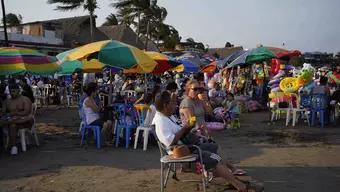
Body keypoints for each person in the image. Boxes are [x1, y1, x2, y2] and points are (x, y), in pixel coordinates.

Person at [153, 91, 253, 192]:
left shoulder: (167, 116)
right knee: (215, 159)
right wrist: (185, 128)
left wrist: (189, 128)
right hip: (183, 152)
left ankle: (231, 179)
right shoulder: (161, 122)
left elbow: (178, 133)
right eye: (173, 103)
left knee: (214, 147)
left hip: (188, 146)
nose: (175, 106)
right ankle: (239, 185)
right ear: (165, 105)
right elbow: (171, 143)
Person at [1, 83, 33, 155]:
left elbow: (26, 112)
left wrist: (14, 114)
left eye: (14, 91)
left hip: (25, 121)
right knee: (12, 125)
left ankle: (13, 146)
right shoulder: (7, 101)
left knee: (13, 123)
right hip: (12, 121)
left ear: (18, 90)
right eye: (11, 91)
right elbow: (3, 112)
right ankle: (13, 146)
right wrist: (6, 114)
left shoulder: (25, 99)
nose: (12, 93)